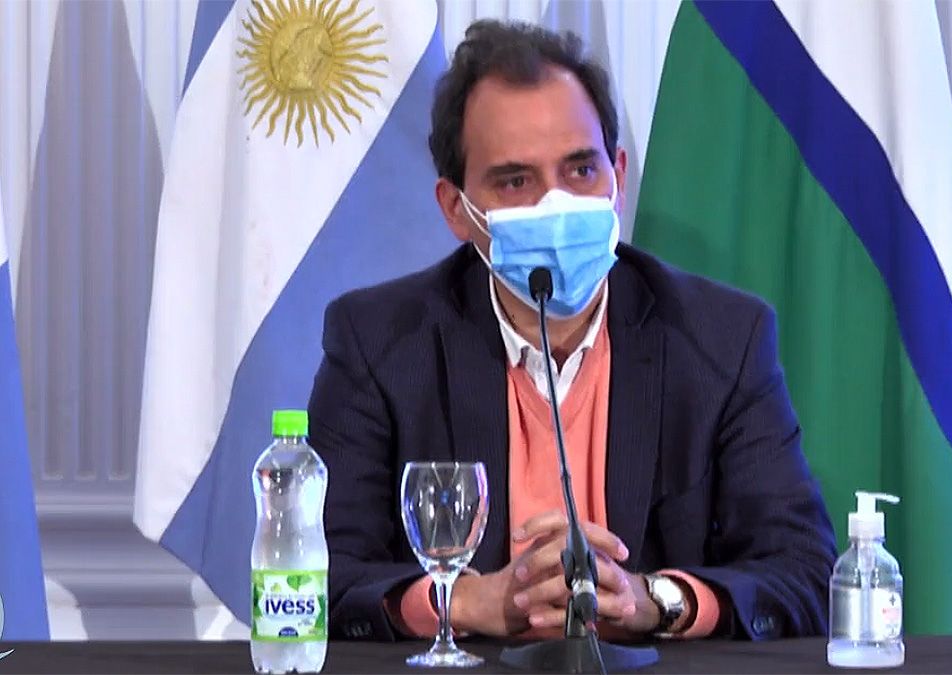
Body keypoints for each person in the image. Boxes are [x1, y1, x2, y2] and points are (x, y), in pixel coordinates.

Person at [309, 19, 836, 643]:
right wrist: (467, 602)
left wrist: (653, 600)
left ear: (618, 177)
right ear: (456, 208)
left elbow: (805, 572)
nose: (555, 204)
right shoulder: (379, 342)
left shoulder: (721, 338)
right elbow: (313, 577)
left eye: (581, 170)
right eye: (516, 181)